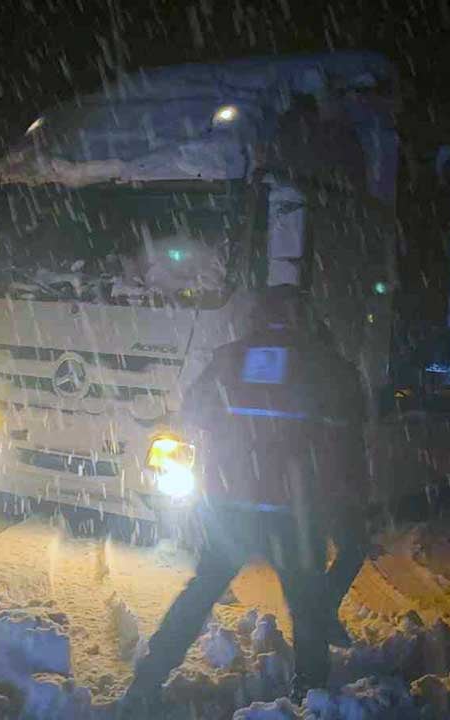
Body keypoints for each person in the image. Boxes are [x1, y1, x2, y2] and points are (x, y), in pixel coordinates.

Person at [121, 285, 369, 710]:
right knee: (306, 606)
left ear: (256, 316)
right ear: (301, 317)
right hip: (294, 510)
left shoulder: (230, 358)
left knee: (199, 595)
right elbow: (349, 426)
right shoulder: (322, 364)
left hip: (230, 505)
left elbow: (193, 411)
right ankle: (308, 695)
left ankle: (147, 681)